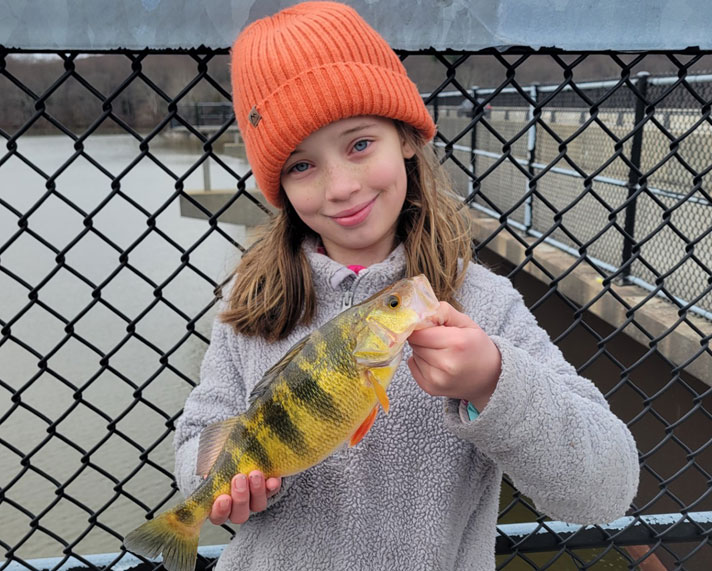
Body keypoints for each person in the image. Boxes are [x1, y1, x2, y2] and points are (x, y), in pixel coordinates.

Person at [173, 2, 640, 569]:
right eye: (301, 166)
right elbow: (198, 439)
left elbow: (607, 489)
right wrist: (221, 491)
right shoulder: (251, 306)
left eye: (360, 144)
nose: (341, 187)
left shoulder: (485, 305)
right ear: (279, 187)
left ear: (408, 137)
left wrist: (495, 381)